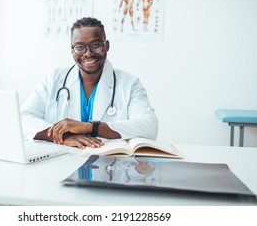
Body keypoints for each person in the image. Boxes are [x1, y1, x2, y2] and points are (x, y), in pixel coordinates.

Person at [20, 17, 158, 149]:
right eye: (80, 47)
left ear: (107, 46)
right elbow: (23, 118)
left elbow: (149, 126)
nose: (88, 53)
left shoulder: (129, 84)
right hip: (62, 161)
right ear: (72, 49)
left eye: (96, 45)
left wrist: (91, 127)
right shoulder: (53, 79)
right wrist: (65, 137)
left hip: (109, 163)